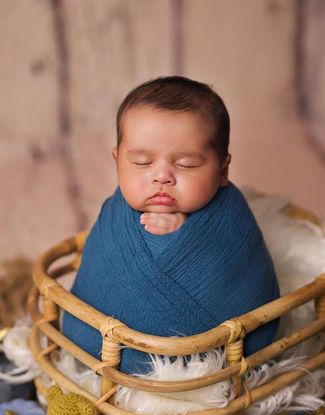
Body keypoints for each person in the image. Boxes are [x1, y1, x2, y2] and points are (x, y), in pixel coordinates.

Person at [63, 76, 280, 373]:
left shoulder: (231, 215)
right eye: (141, 162)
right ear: (117, 162)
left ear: (223, 169)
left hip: (211, 364)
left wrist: (187, 239)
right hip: (99, 351)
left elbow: (241, 276)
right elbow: (97, 273)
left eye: (186, 164)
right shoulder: (115, 214)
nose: (162, 176)